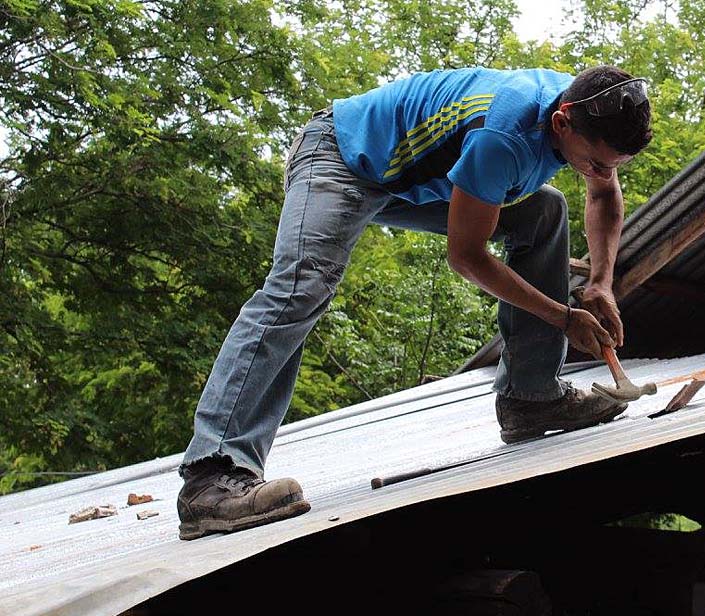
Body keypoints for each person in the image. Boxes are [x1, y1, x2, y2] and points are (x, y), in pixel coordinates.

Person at [174, 66, 654, 540]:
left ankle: (532, 400)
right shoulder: (503, 135)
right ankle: (212, 476)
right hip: (341, 157)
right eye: (594, 162)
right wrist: (563, 316)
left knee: (544, 211)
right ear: (562, 122)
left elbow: (605, 196)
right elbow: (466, 258)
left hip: (410, 178)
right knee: (301, 286)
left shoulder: (591, 105)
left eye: (614, 164)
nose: (602, 173)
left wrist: (601, 284)